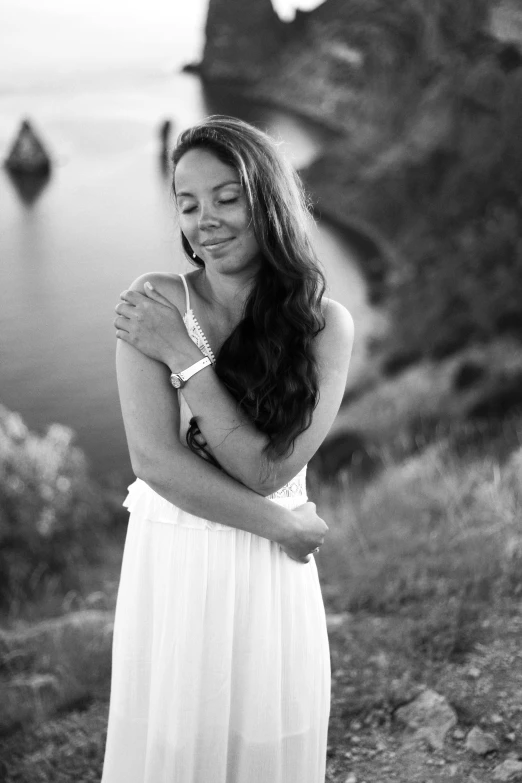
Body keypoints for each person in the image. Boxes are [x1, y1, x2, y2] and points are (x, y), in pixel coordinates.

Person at [102, 116, 354, 783]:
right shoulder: (155, 300)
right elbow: (154, 461)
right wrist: (283, 525)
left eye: (225, 197)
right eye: (187, 204)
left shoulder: (326, 326)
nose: (204, 219)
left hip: (272, 574)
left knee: (267, 741)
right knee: (176, 745)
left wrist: (187, 359)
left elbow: (268, 470)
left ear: (266, 198)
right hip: (179, 553)